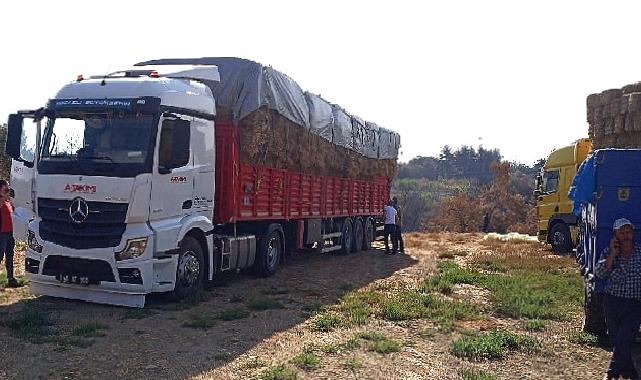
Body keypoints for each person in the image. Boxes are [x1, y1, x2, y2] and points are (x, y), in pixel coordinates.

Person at [595, 218, 641, 380]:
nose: (625, 235)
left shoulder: (640, 252)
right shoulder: (609, 252)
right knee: (617, 339)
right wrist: (613, 255)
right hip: (612, 302)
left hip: (634, 303)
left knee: (625, 338)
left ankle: (611, 373)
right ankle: (631, 373)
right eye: (621, 232)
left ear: (633, 233)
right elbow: (599, 274)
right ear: (616, 235)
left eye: (628, 232)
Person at [0, 180, 18, 288]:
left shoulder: (8, 201)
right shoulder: (2, 201)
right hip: (1, 234)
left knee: (10, 256)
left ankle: (11, 278)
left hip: (10, 233)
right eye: (6, 190)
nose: (8, 192)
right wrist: (3, 196)